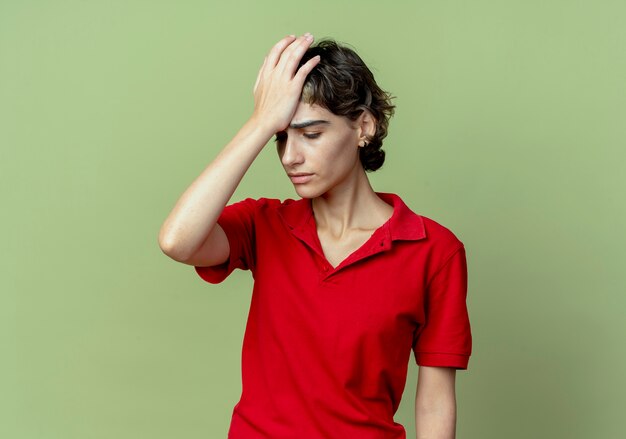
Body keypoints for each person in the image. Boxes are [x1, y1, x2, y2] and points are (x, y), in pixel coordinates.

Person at [159, 33, 472, 439]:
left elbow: (434, 402)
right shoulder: (264, 224)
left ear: (363, 126)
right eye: (281, 137)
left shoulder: (434, 250)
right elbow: (177, 241)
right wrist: (259, 122)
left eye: (311, 134)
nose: (290, 157)